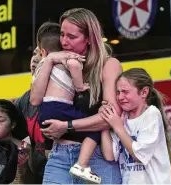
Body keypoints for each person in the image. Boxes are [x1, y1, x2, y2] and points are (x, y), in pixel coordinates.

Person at [31, 8, 123, 184]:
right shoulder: (57, 61)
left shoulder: (108, 65)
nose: (64, 42)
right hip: (60, 156)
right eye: (62, 34)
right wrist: (49, 60)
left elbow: (110, 118)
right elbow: (35, 100)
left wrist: (67, 126)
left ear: (89, 39)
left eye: (72, 37)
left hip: (96, 158)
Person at [100, 68, 171, 184]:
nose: (120, 97)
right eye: (118, 92)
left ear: (144, 92)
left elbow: (139, 155)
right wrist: (104, 123)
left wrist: (118, 127)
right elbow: (109, 155)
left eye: (125, 91)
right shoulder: (121, 118)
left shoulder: (151, 114)